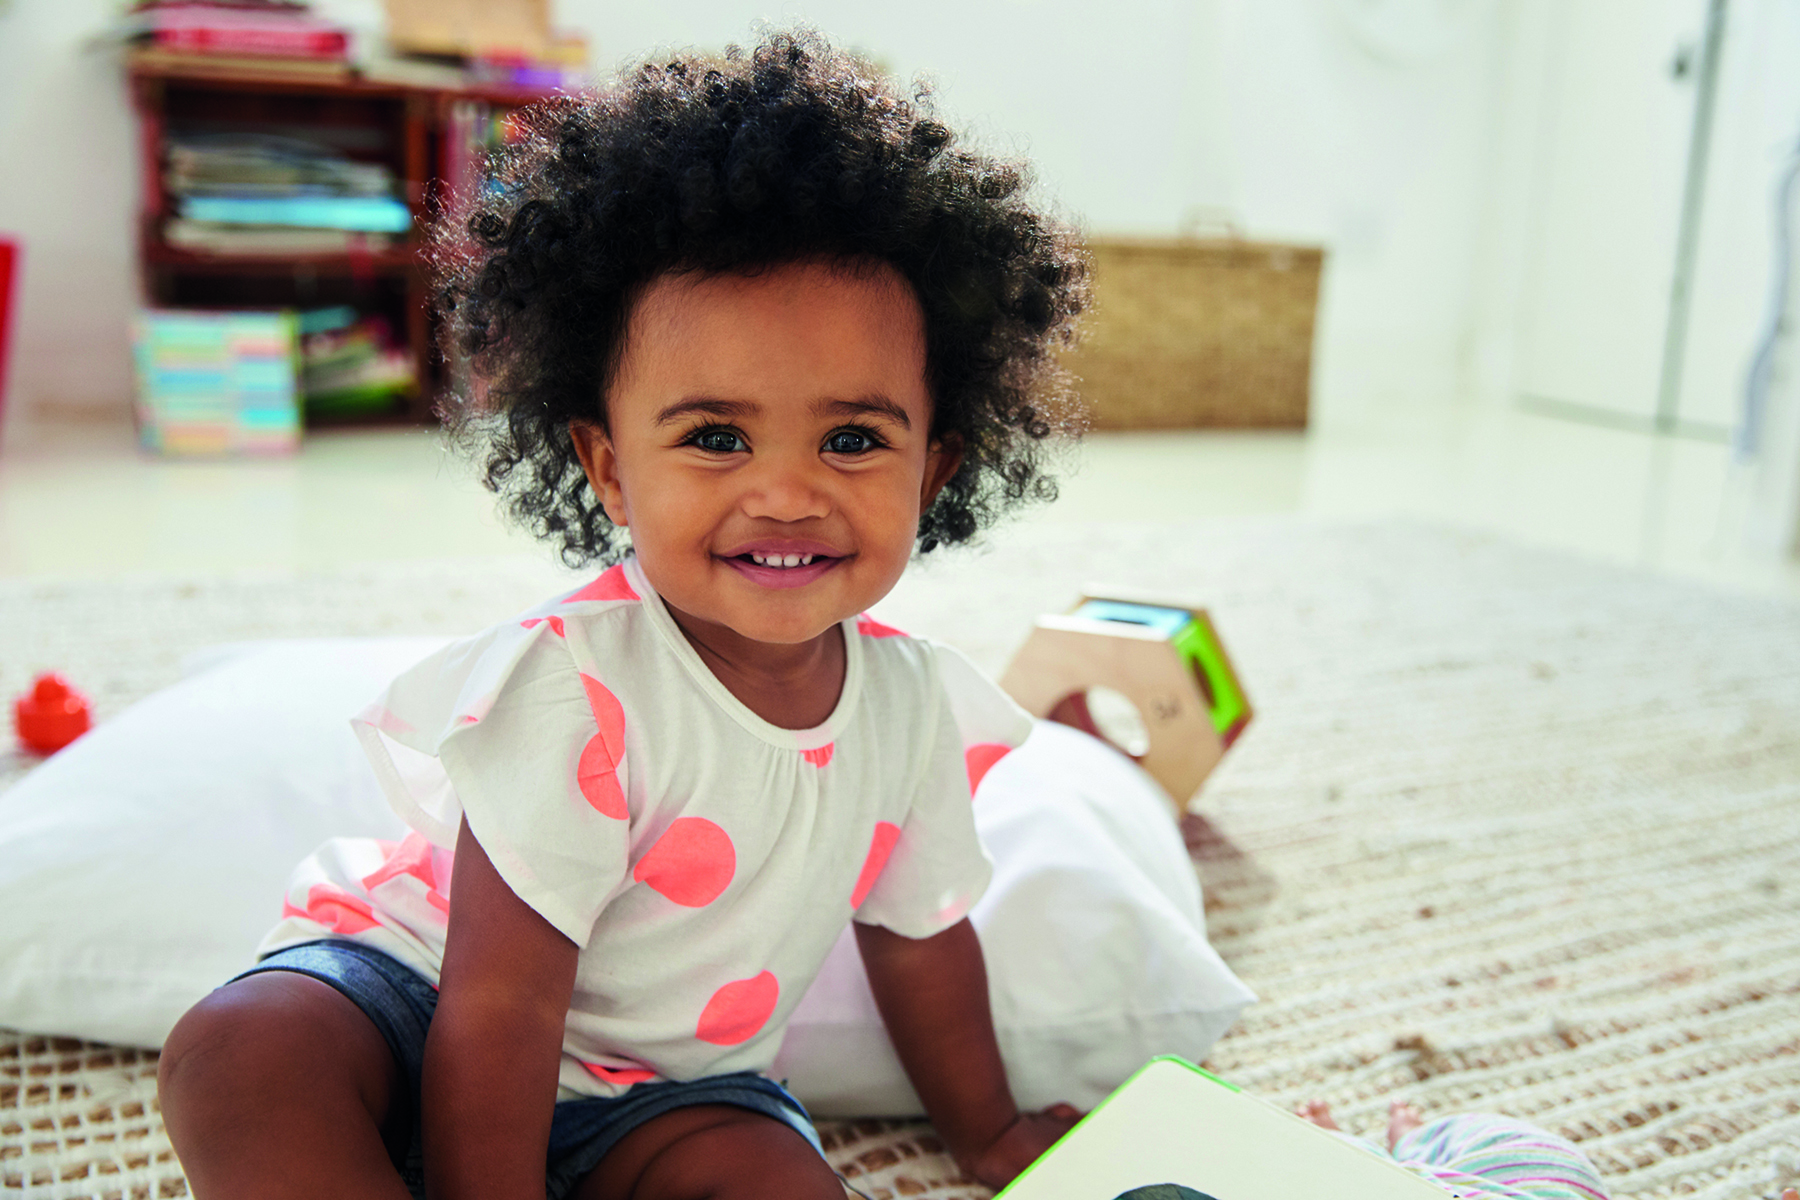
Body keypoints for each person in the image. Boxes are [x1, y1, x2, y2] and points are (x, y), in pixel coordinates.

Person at [155, 29, 1088, 1200]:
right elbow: (498, 1008)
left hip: (670, 1096)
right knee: (240, 1053)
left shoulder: (911, 707)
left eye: (853, 439)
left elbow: (921, 939)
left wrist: (993, 1133)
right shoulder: (575, 687)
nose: (787, 492)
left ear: (938, 469)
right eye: (714, 438)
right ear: (605, 468)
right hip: (416, 1008)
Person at [1295, 1099, 1613, 1200]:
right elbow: (1380, 1177)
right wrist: (1336, 1146)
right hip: (1526, 1161)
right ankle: (1411, 1138)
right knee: (1368, 1170)